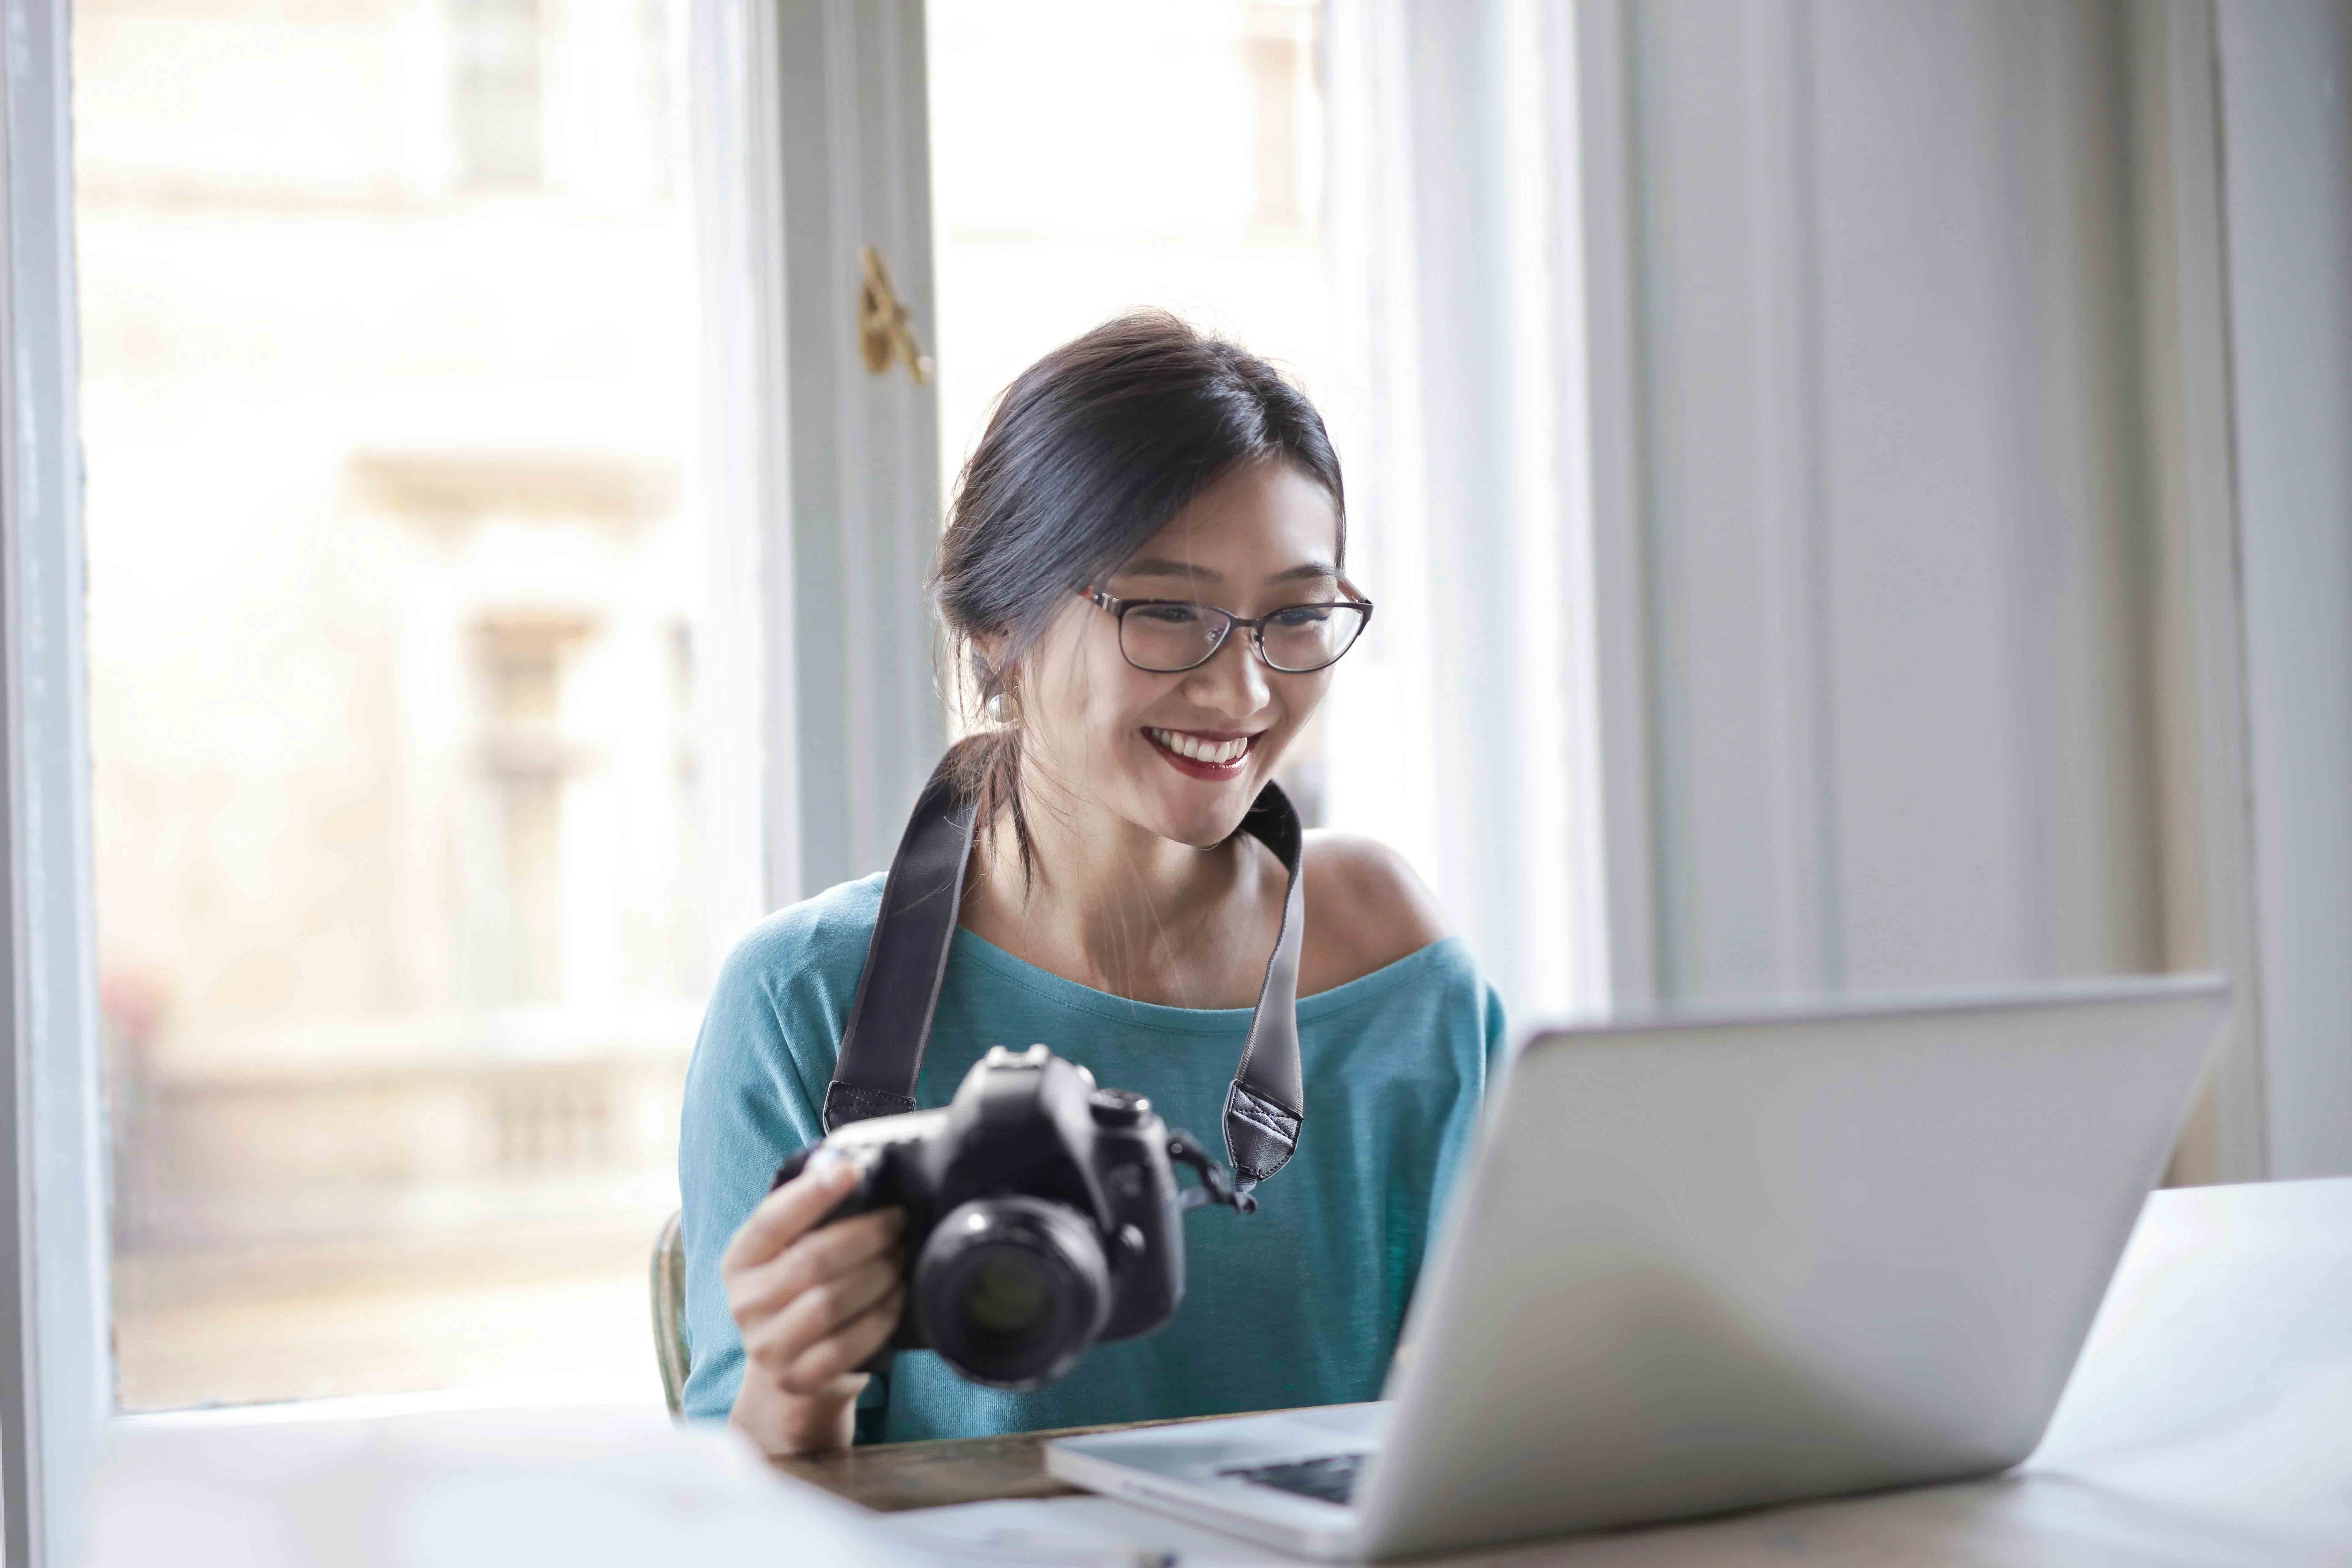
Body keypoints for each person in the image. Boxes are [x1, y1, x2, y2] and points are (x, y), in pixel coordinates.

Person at [679, 311, 1505, 1456]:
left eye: (1296, 617)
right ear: (992, 624)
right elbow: (738, 1515)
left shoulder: (1388, 957)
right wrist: (799, 1381)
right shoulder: (808, 998)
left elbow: (1542, 1399)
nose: (1246, 692)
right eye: (1168, 610)